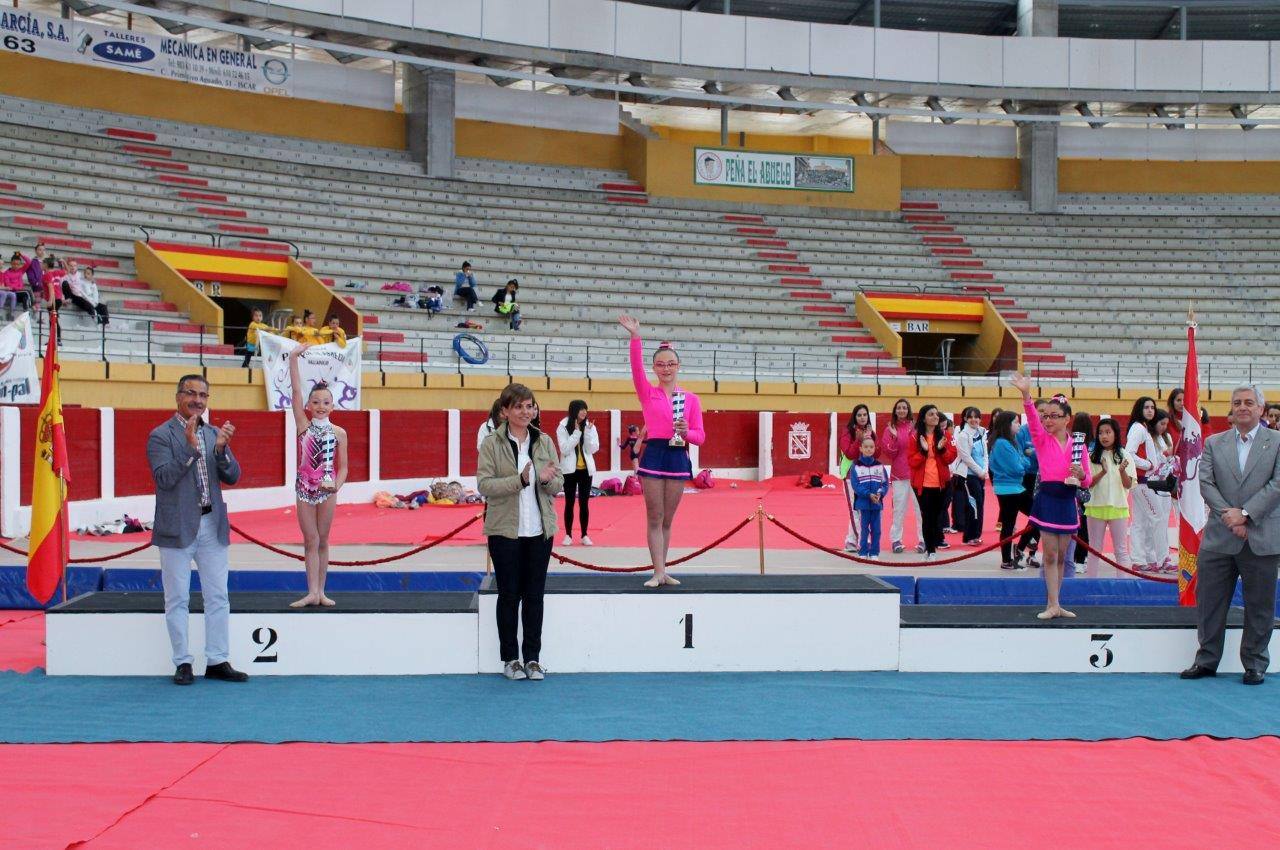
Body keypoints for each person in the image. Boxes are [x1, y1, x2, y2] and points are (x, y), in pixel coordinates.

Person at [147, 374, 247, 685]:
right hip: (176, 527)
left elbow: (233, 476)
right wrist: (190, 450)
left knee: (218, 595)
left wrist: (219, 451)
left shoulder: (214, 432)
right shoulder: (161, 436)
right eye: (191, 393)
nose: (197, 400)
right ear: (177, 396)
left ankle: (217, 659)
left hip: (211, 524)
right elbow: (164, 478)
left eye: (203, 395)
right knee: (176, 597)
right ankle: (183, 662)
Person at [1182, 385, 1280, 686]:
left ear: (1261, 409)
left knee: (1259, 605)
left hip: (1261, 537)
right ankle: (1207, 660)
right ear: (1231, 409)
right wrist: (1231, 516)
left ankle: (1254, 664)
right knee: (1210, 602)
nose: (1242, 407)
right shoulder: (1213, 443)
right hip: (1220, 537)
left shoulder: (1277, 442)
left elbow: (1277, 485)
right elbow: (1206, 484)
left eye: (1249, 402)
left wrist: (1247, 514)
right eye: (1237, 402)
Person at [477, 382, 564, 681]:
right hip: (504, 531)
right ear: (505, 411)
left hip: (540, 531)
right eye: (519, 406)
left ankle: (533, 659)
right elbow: (485, 485)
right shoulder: (491, 443)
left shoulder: (545, 441)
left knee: (535, 596)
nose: (526, 411)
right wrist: (521, 480)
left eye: (530, 406)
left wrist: (546, 480)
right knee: (509, 595)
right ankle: (510, 659)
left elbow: (557, 483)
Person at [619, 314, 705, 587]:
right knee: (654, 516)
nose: (666, 369)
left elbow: (700, 436)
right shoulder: (648, 393)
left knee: (668, 518)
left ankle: (663, 568)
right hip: (654, 455)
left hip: (678, 455)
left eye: (670, 364)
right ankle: (657, 571)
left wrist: (685, 432)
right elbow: (635, 369)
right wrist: (635, 337)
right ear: (654, 368)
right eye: (660, 364)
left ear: (678, 366)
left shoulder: (691, 400)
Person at [1010, 373, 1092, 620]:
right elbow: (1033, 420)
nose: (1048, 420)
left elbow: (1087, 480)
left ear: (1068, 419)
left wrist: (1081, 474)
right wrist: (1026, 394)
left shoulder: (1078, 445)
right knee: (1049, 554)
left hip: (1067, 500)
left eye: (1054, 416)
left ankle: (1057, 603)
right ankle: (1051, 604)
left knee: (1063, 557)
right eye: (1046, 416)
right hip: (1048, 498)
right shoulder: (1042, 439)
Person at [286, 346, 348, 607]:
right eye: (316, 402)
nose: (321, 406)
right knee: (310, 539)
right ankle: (311, 591)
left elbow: (343, 467)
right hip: (304, 488)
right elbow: (297, 390)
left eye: (325, 402)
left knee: (323, 539)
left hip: (326, 490)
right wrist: (292, 359)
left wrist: (336, 484)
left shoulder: (339, 433)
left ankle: (321, 591)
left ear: (333, 405)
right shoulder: (303, 425)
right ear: (308, 406)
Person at [1084, 418, 1136, 578]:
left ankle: (1123, 588)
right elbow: (1088, 484)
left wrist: (1121, 471)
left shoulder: (1125, 455)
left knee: (1121, 550)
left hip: (1118, 508)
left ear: (1115, 434)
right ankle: (1090, 586)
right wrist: (1103, 472)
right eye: (1100, 433)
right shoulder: (1092, 456)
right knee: (1094, 550)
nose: (1104, 436)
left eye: (1108, 432)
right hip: (1095, 508)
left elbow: (1129, 485)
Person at [1129, 401, 1176, 573]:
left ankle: (1140, 560)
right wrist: (1149, 465)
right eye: (1146, 407)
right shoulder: (1138, 429)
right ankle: (1162, 560)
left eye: (1152, 408)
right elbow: (1129, 453)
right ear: (1139, 409)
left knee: (1140, 522)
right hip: (1143, 482)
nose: (1150, 410)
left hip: (1143, 482)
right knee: (1158, 518)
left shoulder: (1142, 428)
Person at [907, 404, 957, 561]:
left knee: (937, 517)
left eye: (936, 414)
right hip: (922, 485)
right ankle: (930, 550)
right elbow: (912, 462)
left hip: (942, 484)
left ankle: (933, 546)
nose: (936, 417)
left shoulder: (945, 436)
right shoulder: (915, 437)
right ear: (923, 418)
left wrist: (941, 450)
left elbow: (951, 458)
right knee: (927, 517)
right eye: (931, 414)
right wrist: (923, 451)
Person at [878, 399, 924, 554]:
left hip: (917, 473)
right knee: (899, 509)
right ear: (895, 411)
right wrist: (895, 437)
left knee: (920, 509)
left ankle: (924, 540)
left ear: (908, 410)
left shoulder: (917, 428)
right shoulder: (889, 429)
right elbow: (890, 453)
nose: (902, 410)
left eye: (904, 408)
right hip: (899, 474)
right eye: (899, 408)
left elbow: (921, 449)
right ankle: (896, 540)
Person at [989, 411, 1031, 570]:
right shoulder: (1002, 444)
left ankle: (1010, 556)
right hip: (1010, 489)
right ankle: (1013, 553)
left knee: (1009, 523)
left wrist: (1023, 461)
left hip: (1012, 487)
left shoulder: (1010, 442)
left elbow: (1022, 462)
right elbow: (1019, 468)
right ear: (1007, 425)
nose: (1018, 425)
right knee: (1034, 515)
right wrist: (1024, 461)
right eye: (1015, 422)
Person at [557, 399, 599, 546]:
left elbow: (592, 449)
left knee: (584, 503)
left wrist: (586, 433)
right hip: (569, 471)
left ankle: (584, 534)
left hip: (585, 471)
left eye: (585, 409)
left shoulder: (590, 426)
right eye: (581, 409)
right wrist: (576, 433)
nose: (584, 412)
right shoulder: (562, 426)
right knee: (569, 502)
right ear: (574, 410)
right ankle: (568, 534)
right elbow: (564, 449)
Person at [838, 404, 875, 552]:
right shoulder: (847, 432)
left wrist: (870, 439)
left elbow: (876, 454)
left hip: (867, 476)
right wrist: (858, 440)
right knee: (855, 510)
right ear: (854, 417)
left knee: (864, 509)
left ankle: (851, 541)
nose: (862, 418)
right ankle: (862, 540)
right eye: (859, 415)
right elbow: (849, 454)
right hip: (850, 475)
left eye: (864, 415)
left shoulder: (871, 432)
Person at [1015, 399, 1046, 567]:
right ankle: (1021, 548)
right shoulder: (1023, 432)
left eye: (1045, 411)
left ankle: (1030, 553)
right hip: (1027, 476)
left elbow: (1045, 453)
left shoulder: (1049, 431)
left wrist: (1032, 452)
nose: (1043, 414)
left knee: (1040, 513)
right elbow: (1020, 454)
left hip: (1043, 476)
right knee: (1035, 513)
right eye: (1040, 410)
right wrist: (1033, 454)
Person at [851, 435, 890, 559]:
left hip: (876, 504)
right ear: (861, 448)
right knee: (864, 529)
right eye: (866, 447)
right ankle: (863, 551)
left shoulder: (879, 466)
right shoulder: (856, 466)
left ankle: (874, 552)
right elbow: (855, 485)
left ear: (874, 449)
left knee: (877, 530)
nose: (869, 449)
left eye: (871, 447)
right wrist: (868, 494)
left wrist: (880, 493)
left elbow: (885, 483)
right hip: (863, 503)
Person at [955, 406, 989, 546]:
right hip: (969, 476)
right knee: (973, 506)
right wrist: (980, 472)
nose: (974, 419)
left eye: (976, 417)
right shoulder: (963, 435)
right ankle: (970, 536)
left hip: (980, 475)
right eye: (971, 417)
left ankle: (976, 535)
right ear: (965, 419)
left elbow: (985, 454)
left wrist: (985, 469)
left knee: (980, 505)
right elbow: (966, 457)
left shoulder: (982, 432)